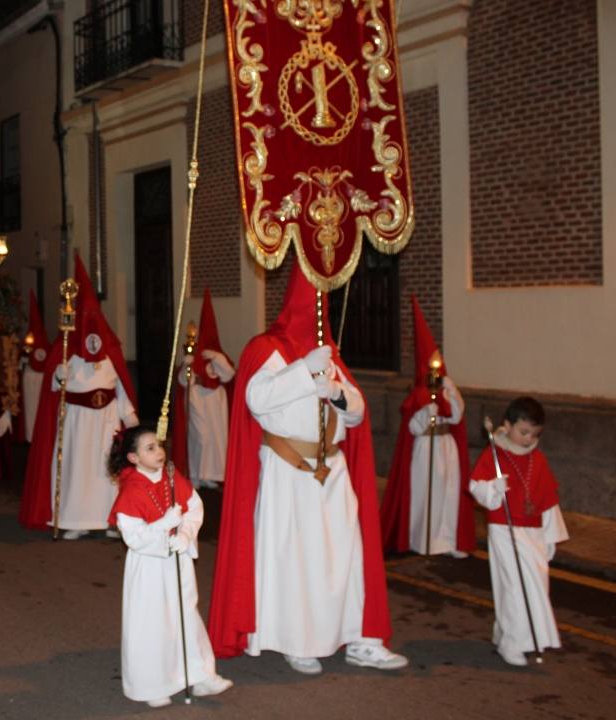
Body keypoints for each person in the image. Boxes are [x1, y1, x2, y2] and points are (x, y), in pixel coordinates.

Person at [208, 264, 405, 674]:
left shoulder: (329, 353)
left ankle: (360, 637)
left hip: (332, 471)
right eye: (314, 305)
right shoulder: (265, 349)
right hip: (287, 471)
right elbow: (256, 400)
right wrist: (303, 372)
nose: (320, 315)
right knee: (295, 558)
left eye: (324, 307)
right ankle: (299, 640)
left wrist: (334, 391)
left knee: (345, 555)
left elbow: (357, 413)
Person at [108, 426, 233, 708]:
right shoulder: (131, 490)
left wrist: (186, 534)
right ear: (133, 458)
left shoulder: (172, 477)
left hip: (178, 559)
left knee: (186, 612)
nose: (159, 452)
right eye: (149, 448)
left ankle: (200, 674)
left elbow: (194, 507)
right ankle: (151, 683)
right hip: (150, 564)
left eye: (159, 445)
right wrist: (164, 526)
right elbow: (134, 537)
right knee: (152, 621)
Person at [19, 255, 139, 538]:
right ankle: (76, 520)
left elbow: (119, 386)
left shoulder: (111, 353)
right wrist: (58, 375)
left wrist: (129, 416)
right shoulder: (66, 354)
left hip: (107, 421)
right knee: (79, 470)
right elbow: (52, 391)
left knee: (107, 472)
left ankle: (112, 521)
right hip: (77, 422)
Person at [469, 397, 568, 666]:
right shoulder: (494, 454)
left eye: (534, 434)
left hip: (533, 533)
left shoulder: (538, 459)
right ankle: (512, 642)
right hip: (504, 529)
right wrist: (493, 489)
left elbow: (548, 500)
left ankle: (510, 634)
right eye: (523, 432)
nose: (527, 439)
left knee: (536, 587)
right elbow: (476, 487)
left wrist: (551, 536)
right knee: (514, 586)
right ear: (507, 425)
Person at [381, 296, 475, 558]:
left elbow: (456, 417)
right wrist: (425, 414)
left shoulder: (447, 388)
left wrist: (451, 393)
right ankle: (424, 540)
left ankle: (447, 541)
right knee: (428, 494)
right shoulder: (418, 395)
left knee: (448, 493)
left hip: (446, 445)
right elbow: (412, 427)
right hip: (426, 445)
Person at [170, 289, 233, 489]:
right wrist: (187, 365)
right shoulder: (193, 355)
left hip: (216, 403)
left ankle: (210, 474)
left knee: (215, 441)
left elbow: (229, 376)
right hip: (197, 399)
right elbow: (182, 381)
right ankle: (195, 474)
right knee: (201, 438)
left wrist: (218, 359)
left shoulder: (218, 355)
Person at [21, 289, 50, 442]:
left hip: (37, 378)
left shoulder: (43, 343)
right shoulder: (34, 341)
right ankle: (32, 435)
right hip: (33, 377)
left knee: (38, 409)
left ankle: (34, 435)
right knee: (33, 409)